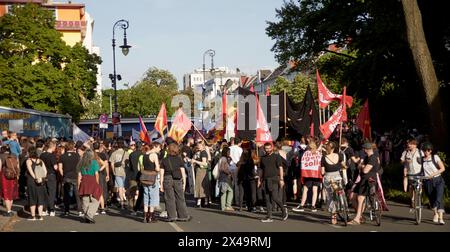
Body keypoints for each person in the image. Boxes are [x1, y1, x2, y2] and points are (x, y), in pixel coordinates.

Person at [348, 142, 380, 225]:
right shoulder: (367, 157)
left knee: (360, 198)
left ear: (366, 149)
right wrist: (362, 166)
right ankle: (360, 216)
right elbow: (359, 166)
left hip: (368, 180)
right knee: (352, 197)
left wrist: (362, 166)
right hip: (362, 179)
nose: (363, 150)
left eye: (364, 149)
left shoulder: (373, 158)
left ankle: (357, 218)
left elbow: (365, 170)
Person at [160, 143, 191, 222]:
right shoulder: (179, 159)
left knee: (169, 198)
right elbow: (183, 171)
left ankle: (172, 216)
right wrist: (184, 182)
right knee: (180, 197)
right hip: (177, 179)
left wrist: (161, 184)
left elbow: (161, 173)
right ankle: (183, 216)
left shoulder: (164, 160)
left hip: (167, 179)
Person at [259, 142, 288, 223]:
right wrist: (259, 180)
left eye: (269, 148)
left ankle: (283, 210)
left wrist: (282, 179)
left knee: (274, 197)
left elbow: (281, 168)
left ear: (272, 148)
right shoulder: (263, 158)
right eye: (266, 148)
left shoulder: (276, 156)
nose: (267, 150)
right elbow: (261, 170)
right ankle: (269, 216)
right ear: (264, 149)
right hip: (265, 180)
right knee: (267, 199)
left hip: (274, 179)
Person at [420, 142, 446, 225]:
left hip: (438, 180)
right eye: (424, 150)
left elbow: (442, 168)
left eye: (428, 150)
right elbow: (419, 171)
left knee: (439, 197)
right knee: (432, 199)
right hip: (427, 182)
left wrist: (433, 174)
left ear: (431, 151)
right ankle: (435, 214)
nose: (426, 152)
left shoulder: (435, 157)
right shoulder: (421, 159)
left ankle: (441, 218)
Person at [293, 141, 322, 212]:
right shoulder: (319, 153)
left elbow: (302, 163)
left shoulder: (306, 153)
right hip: (317, 174)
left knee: (305, 189)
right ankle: (313, 206)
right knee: (315, 190)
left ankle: (302, 205)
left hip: (308, 174)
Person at [321, 141, 345, 225]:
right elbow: (343, 165)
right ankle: (343, 203)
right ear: (334, 148)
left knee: (330, 196)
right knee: (340, 191)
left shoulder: (324, 157)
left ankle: (333, 217)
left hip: (329, 178)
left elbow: (322, 171)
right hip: (337, 176)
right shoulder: (339, 155)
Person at [77, 149, 103, 224]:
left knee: (85, 198)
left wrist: (79, 185)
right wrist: (97, 183)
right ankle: (89, 214)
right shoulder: (94, 162)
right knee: (96, 199)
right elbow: (96, 174)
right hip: (92, 180)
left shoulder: (81, 163)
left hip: (84, 180)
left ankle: (86, 215)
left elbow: (79, 176)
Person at [138, 143, 161, 223]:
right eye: (159, 147)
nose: (160, 149)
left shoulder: (144, 155)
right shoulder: (154, 155)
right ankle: (150, 217)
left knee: (146, 197)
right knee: (153, 198)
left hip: (145, 178)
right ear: (154, 147)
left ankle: (144, 217)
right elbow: (157, 168)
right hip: (152, 178)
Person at [58, 141, 82, 216]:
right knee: (77, 194)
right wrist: (80, 176)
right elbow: (80, 167)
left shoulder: (62, 156)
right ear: (73, 147)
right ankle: (80, 210)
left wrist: (63, 175)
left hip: (66, 176)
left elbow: (60, 168)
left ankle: (67, 210)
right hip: (75, 176)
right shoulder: (77, 155)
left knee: (66, 194)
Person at [400, 139, 424, 213]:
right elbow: (401, 161)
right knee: (411, 186)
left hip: (419, 172)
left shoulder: (420, 152)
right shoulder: (406, 152)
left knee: (419, 186)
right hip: (410, 172)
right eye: (408, 144)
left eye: (410, 144)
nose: (409, 145)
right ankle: (412, 199)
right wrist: (405, 161)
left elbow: (424, 160)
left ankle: (419, 198)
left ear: (415, 145)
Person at [25, 147, 47, 221]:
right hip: (41, 181)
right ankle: (40, 216)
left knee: (32, 198)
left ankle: (33, 216)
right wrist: (40, 178)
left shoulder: (28, 161)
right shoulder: (40, 160)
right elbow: (45, 171)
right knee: (40, 198)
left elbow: (30, 171)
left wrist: (35, 178)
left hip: (32, 181)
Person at [40, 141, 58, 217]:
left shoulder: (42, 155)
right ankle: (51, 210)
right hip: (51, 175)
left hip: (43, 175)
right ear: (53, 147)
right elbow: (55, 167)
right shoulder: (52, 156)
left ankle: (44, 209)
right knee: (52, 193)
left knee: (44, 193)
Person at [109, 141, 129, 209]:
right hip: (124, 172)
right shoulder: (126, 153)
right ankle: (124, 198)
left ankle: (122, 202)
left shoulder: (114, 153)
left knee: (120, 187)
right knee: (123, 187)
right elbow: (128, 163)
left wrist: (113, 171)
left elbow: (111, 163)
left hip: (117, 172)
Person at [0, 145, 19, 216]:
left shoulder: (1, 156)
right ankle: (10, 209)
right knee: (11, 193)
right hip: (13, 176)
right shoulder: (14, 155)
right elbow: (17, 166)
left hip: (5, 176)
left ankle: (8, 211)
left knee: (6, 193)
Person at [191, 141, 210, 208]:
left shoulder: (203, 152)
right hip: (201, 171)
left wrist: (195, 161)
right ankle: (203, 202)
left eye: (199, 145)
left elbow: (204, 163)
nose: (198, 146)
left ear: (202, 146)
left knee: (201, 186)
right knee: (201, 186)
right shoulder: (200, 152)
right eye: (197, 145)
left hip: (202, 171)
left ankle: (202, 202)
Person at [94, 142, 109, 214]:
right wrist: (107, 174)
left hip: (93, 174)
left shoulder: (92, 154)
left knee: (95, 192)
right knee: (101, 191)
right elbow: (106, 164)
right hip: (101, 174)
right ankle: (102, 208)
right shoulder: (103, 154)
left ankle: (96, 208)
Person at [218, 147, 234, 211]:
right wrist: (228, 173)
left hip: (222, 177)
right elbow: (222, 168)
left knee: (224, 191)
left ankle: (224, 206)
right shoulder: (224, 158)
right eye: (228, 152)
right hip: (225, 177)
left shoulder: (223, 158)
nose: (229, 153)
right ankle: (227, 205)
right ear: (226, 152)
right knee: (227, 191)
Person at [126, 141, 141, 214]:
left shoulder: (132, 154)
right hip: (141, 175)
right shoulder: (143, 154)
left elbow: (130, 165)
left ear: (135, 146)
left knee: (132, 192)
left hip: (133, 175)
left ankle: (132, 206)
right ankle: (138, 206)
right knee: (140, 191)